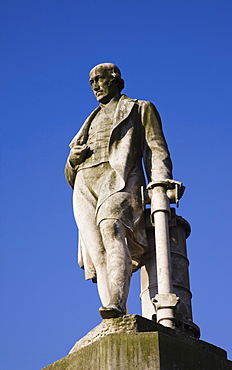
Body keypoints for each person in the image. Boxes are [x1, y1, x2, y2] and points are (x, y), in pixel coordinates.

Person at [65, 63, 173, 319]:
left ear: (115, 80)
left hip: (119, 178)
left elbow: (155, 150)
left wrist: (160, 184)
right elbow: (69, 176)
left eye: (99, 79)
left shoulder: (139, 108)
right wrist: (72, 160)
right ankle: (116, 313)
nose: (95, 86)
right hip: (84, 182)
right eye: (91, 83)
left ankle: (116, 299)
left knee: (111, 227)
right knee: (96, 250)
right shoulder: (88, 122)